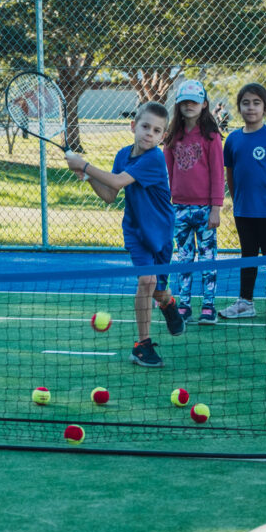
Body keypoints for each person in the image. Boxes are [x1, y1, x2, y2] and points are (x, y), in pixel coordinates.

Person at [65, 102, 185, 368]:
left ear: (162, 136)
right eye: (145, 127)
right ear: (133, 126)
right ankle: (142, 346)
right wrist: (87, 177)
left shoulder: (154, 158)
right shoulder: (122, 155)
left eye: (157, 130)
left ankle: (168, 304)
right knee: (146, 281)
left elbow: (117, 182)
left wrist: (85, 165)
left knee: (158, 291)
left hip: (161, 232)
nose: (149, 134)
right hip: (135, 231)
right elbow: (110, 195)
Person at [219, 83, 266, 323]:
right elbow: (230, 174)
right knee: (248, 255)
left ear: (265, 108)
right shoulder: (232, 140)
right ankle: (245, 302)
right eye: (246, 103)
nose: (251, 107)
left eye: (256, 103)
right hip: (244, 211)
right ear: (239, 108)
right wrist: (236, 199)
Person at [163, 80, 224, 326]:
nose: (189, 106)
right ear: (178, 105)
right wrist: (165, 203)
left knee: (208, 259)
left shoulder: (211, 136)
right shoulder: (172, 137)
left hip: (205, 209)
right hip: (178, 208)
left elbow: (218, 174)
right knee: (183, 259)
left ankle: (209, 305)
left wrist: (216, 208)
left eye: (194, 102)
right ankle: (184, 305)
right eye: (184, 102)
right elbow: (166, 172)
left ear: (204, 105)